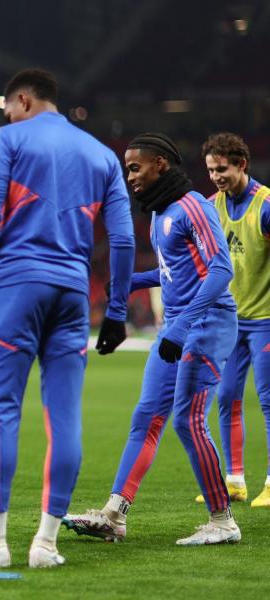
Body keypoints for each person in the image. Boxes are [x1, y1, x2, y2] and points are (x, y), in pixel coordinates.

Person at [0, 68, 135, 568]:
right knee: (65, 416)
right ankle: (46, 545)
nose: (7, 116)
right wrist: (115, 311)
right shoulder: (103, 155)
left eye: (8, 108)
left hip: (17, 287)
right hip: (73, 294)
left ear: (22, 100)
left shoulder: (8, 138)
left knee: (2, 410)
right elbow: (126, 240)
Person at [63, 133, 241, 545]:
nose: (129, 177)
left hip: (208, 324)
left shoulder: (193, 206)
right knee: (146, 417)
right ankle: (114, 514)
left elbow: (220, 271)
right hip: (177, 327)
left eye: (135, 167)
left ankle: (223, 521)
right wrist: (127, 283)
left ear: (160, 163)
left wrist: (181, 326)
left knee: (187, 419)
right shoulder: (161, 213)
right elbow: (173, 273)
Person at [194, 133, 270, 508]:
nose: (215, 176)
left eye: (221, 169)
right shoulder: (211, 208)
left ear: (241, 164)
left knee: (269, 400)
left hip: (267, 319)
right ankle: (235, 480)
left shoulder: (266, 206)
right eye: (210, 170)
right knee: (225, 397)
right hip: (232, 322)